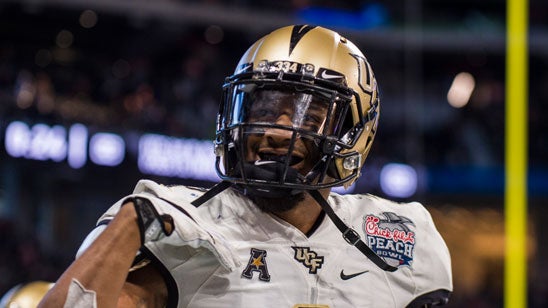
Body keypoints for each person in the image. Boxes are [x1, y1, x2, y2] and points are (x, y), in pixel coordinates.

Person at [38, 25, 452, 307]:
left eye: (306, 117)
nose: (274, 131)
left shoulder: (398, 236)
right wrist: (131, 224)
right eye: (263, 109)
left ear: (353, 130)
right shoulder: (176, 222)